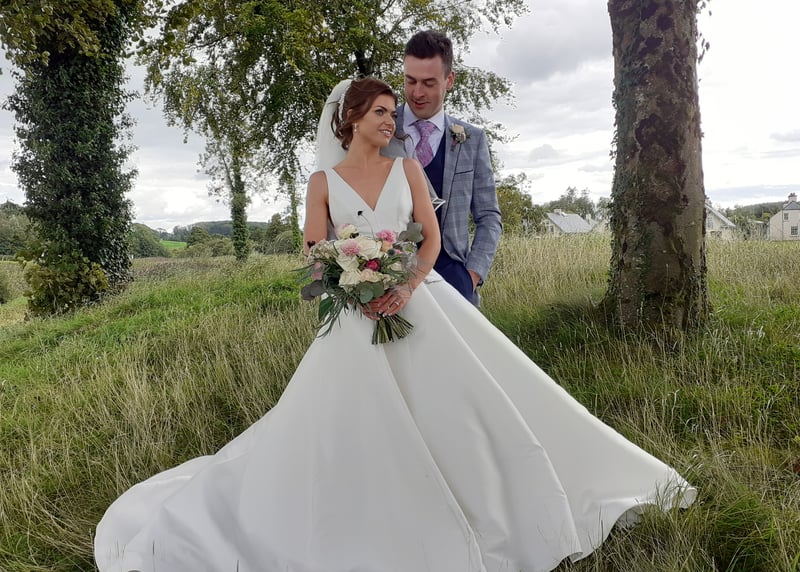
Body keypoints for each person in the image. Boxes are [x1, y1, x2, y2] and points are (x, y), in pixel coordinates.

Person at [94, 77, 695, 572]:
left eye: (393, 111)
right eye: (381, 111)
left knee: (467, 404)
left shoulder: (407, 169)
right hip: (354, 314)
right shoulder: (322, 183)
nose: (392, 119)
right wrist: (351, 284)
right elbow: (314, 250)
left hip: (420, 299)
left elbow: (429, 239)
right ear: (351, 118)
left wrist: (403, 285)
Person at [391, 30, 502, 305]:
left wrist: (471, 276)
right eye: (410, 81)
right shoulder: (382, 131)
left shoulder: (473, 139)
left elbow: (489, 216)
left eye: (429, 83)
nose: (417, 92)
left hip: (455, 282)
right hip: (390, 280)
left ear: (449, 80)